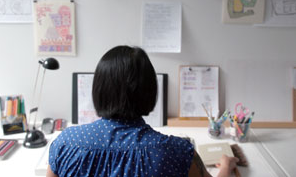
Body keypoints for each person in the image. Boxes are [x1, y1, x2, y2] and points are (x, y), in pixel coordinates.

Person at [47, 46, 238, 177]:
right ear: (150, 91)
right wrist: (226, 166)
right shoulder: (177, 152)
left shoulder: (65, 143)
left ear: (98, 90)